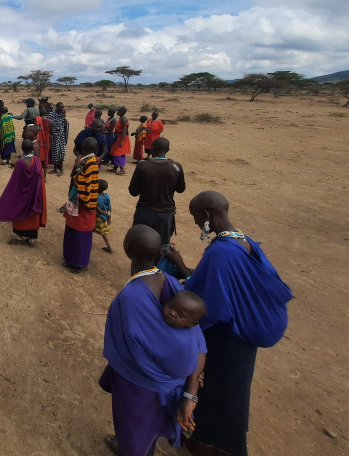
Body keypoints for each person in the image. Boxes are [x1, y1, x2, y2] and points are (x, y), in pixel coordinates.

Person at [177, 191, 292, 456]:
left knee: (217, 397)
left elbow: (208, 305)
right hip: (243, 339)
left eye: (195, 216)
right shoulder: (245, 241)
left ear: (206, 215)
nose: (195, 222)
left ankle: (207, 445)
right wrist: (182, 266)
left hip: (225, 341)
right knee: (233, 396)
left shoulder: (221, 252)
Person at [99, 224, 207, 456]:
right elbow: (196, 338)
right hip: (170, 384)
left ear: (127, 249)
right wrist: (191, 389)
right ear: (160, 253)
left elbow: (128, 347)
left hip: (140, 385)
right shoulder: (169, 280)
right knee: (147, 431)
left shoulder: (131, 297)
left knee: (134, 432)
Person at [128, 137, 191, 278]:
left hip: (144, 212)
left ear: (152, 149)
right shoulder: (176, 167)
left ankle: (136, 277)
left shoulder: (143, 166)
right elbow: (181, 189)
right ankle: (156, 277)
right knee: (163, 247)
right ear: (167, 150)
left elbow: (133, 191)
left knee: (139, 244)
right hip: (166, 215)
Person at [0, 139, 46, 245]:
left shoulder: (21, 163)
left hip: (22, 193)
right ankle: (31, 238)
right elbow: (40, 178)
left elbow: (16, 180)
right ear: (31, 149)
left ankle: (20, 236)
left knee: (19, 210)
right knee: (32, 215)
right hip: (33, 193)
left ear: (22, 149)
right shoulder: (36, 160)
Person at [61, 137, 98, 272]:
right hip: (76, 201)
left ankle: (79, 263)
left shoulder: (92, 162)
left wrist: (77, 168)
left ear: (84, 147)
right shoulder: (85, 159)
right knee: (72, 229)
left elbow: (86, 183)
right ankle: (70, 259)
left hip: (84, 202)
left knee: (81, 233)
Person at [47, 102, 70, 175]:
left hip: (61, 136)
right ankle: (55, 169)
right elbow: (49, 124)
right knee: (54, 153)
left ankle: (61, 169)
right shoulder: (51, 115)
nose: (62, 108)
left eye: (63, 107)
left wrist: (64, 119)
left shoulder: (62, 115)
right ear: (57, 107)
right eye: (61, 107)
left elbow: (65, 124)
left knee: (61, 152)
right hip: (54, 136)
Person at [109, 106, 131, 175]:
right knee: (115, 151)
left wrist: (121, 141)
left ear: (121, 112)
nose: (117, 112)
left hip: (122, 138)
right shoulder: (121, 119)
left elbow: (124, 130)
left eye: (118, 111)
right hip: (119, 137)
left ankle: (122, 169)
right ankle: (115, 168)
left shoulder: (123, 120)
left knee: (117, 152)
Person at [94, 178, 113, 254]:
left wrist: (103, 212)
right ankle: (109, 247)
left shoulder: (96, 197)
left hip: (99, 217)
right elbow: (110, 207)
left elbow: (98, 209)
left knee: (89, 228)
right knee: (104, 233)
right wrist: (109, 215)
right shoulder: (107, 196)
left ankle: (109, 247)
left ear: (98, 188)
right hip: (105, 217)